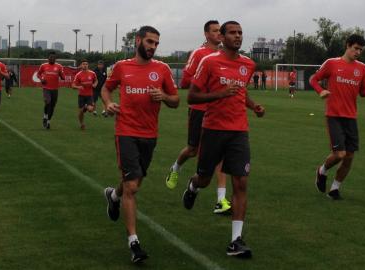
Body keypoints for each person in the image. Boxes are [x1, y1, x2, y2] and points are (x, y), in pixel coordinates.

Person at [182, 21, 265, 258]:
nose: (238, 36)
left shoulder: (248, 64)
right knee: (205, 179)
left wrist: (253, 106)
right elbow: (192, 95)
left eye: (240, 32)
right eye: (233, 32)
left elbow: (241, 92)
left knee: (240, 183)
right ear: (223, 36)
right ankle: (193, 185)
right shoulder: (209, 61)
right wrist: (219, 94)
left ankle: (236, 241)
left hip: (239, 131)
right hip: (213, 129)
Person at [102, 26, 179, 263]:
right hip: (125, 131)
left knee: (133, 182)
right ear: (138, 41)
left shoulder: (163, 69)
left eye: (156, 43)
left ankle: (114, 196)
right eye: (149, 42)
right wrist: (108, 103)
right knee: (132, 186)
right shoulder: (123, 67)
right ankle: (134, 243)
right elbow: (106, 88)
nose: (153, 47)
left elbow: (176, 100)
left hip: (149, 135)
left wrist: (165, 98)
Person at [165, 20, 231, 215]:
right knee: (193, 150)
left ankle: (221, 200)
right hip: (200, 108)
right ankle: (175, 167)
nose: (219, 34)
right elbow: (185, 81)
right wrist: (207, 83)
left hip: (219, 110)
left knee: (221, 155)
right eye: (215, 31)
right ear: (206, 34)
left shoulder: (225, 55)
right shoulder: (199, 54)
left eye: (220, 31)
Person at [310, 34, 365, 200]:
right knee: (339, 154)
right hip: (334, 115)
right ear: (348, 46)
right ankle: (322, 171)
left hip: (351, 117)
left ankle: (334, 189)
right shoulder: (332, 63)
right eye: (356, 48)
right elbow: (314, 79)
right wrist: (321, 91)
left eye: (361, 50)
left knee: (349, 157)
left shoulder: (362, 68)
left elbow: (362, 92)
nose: (358, 52)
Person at [37, 51, 65, 130]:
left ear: (55, 59)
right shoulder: (43, 65)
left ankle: (48, 121)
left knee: (52, 106)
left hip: (55, 89)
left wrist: (61, 74)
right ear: (48, 58)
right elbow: (38, 74)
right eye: (50, 57)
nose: (52, 58)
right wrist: (42, 79)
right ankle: (45, 116)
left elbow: (63, 77)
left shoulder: (59, 66)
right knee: (47, 102)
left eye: (53, 57)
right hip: (46, 88)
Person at [72, 59, 98, 130]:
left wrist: (95, 84)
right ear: (81, 65)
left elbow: (96, 80)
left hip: (89, 95)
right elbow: (73, 85)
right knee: (81, 112)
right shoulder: (78, 75)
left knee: (90, 109)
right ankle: (81, 124)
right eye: (83, 64)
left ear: (88, 65)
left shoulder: (92, 73)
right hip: (81, 96)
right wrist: (78, 86)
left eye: (86, 64)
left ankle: (86, 106)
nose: (85, 65)